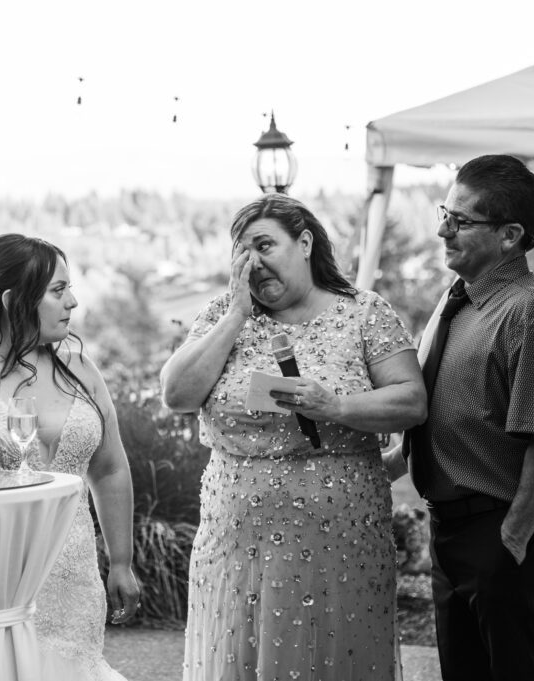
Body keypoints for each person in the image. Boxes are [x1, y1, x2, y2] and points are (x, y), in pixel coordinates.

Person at [160, 193, 427, 681]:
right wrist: (236, 315)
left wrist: (336, 405)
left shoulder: (363, 312)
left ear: (304, 243)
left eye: (265, 245)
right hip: (235, 538)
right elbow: (176, 393)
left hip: (341, 537)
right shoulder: (225, 313)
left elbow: (412, 401)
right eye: (242, 253)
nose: (253, 262)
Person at [384, 154, 534, 681]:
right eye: (445, 211)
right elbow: (447, 418)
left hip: (501, 531)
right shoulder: (458, 302)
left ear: (511, 235)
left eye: (461, 220)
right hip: (450, 532)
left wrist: (512, 537)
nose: (442, 229)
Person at [0, 233, 141, 680]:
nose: (72, 301)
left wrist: (121, 561)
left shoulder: (80, 367)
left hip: (73, 576)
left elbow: (110, 469)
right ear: (15, 298)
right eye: (58, 290)